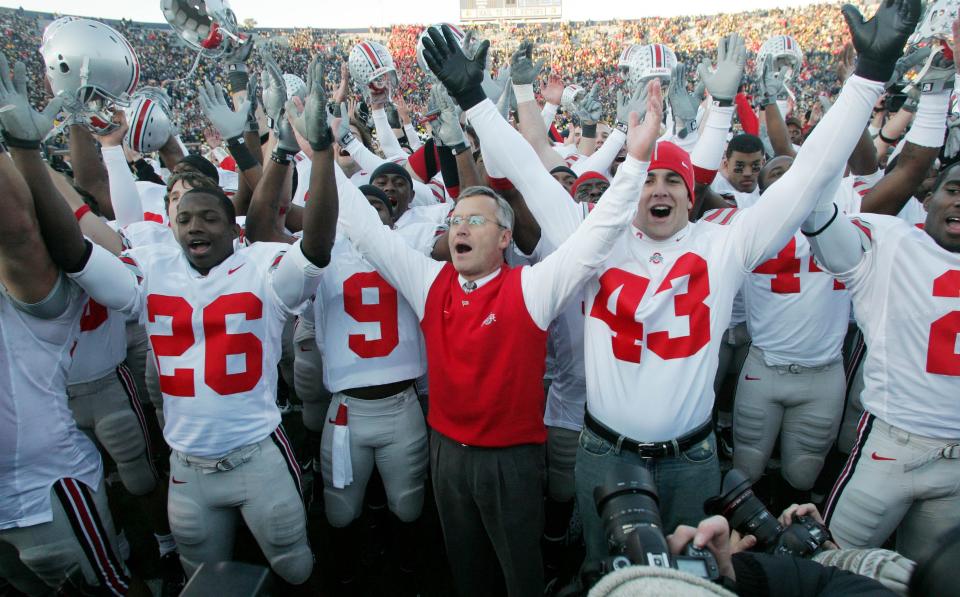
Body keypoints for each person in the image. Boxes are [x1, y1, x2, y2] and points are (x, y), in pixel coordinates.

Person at [326, 23, 663, 596]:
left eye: (475, 219)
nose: (459, 226)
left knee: (519, 574)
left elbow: (598, 232)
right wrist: (312, 152)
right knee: (466, 569)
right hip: (445, 453)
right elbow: (362, 226)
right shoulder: (430, 281)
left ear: (505, 238)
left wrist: (632, 164)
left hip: (511, 459)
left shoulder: (532, 287)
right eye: (455, 219)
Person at [57, 56, 339, 587]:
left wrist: (319, 154)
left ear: (234, 229)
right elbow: (78, 255)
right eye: (183, 218)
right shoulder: (150, 270)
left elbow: (317, 248)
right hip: (187, 464)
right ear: (170, 224)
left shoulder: (258, 265)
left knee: (295, 565)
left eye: (209, 217)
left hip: (257, 451)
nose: (194, 226)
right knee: (199, 577)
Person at [0, 54, 148, 596]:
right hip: (65, 396)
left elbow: (92, 250)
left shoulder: (85, 251)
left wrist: (34, 161)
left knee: (137, 480)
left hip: (106, 382)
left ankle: (157, 542)